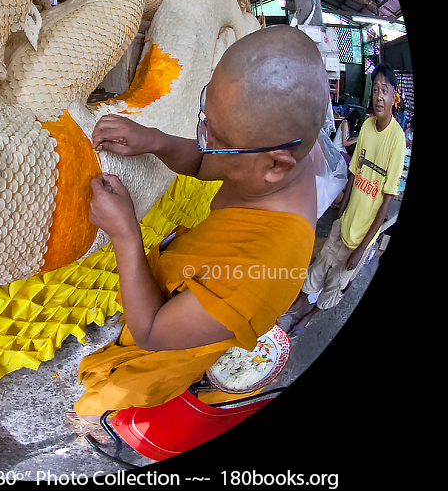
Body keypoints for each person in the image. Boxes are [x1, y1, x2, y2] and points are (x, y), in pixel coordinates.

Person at [70, 25, 329, 421]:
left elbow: (153, 332)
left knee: (108, 399)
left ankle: (96, 425)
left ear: (276, 164)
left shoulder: (262, 269)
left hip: (157, 353)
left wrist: (124, 233)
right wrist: (157, 140)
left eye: (216, 137)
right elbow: (209, 161)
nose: (203, 141)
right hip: (175, 295)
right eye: (204, 119)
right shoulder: (272, 156)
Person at [283, 63, 405, 332]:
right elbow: (353, 173)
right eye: (375, 89)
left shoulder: (397, 140)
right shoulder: (367, 128)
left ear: (394, 95)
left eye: (385, 90)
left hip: (362, 234)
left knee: (336, 282)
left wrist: (362, 248)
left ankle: (312, 314)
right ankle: (299, 303)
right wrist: (339, 217)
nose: (379, 96)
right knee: (319, 267)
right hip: (345, 222)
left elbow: (386, 200)